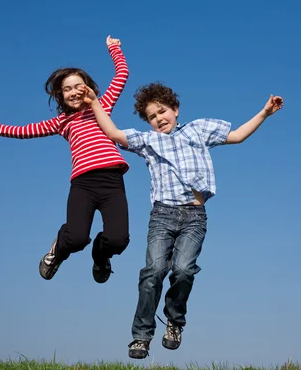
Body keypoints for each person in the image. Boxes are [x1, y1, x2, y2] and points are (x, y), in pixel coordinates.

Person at [79, 81, 284, 358]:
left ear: (175, 109)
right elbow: (113, 131)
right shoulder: (149, 141)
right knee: (153, 272)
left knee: (184, 270)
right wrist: (93, 102)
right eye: (152, 117)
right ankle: (141, 336)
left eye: (162, 111)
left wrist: (264, 113)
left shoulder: (197, 130)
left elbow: (236, 136)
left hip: (194, 218)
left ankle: (175, 321)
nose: (158, 119)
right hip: (162, 216)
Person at [0, 35, 130, 284]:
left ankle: (101, 257)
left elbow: (122, 74)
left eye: (79, 86)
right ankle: (57, 251)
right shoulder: (60, 122)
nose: (74, 92)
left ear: (89, 88)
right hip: (83, 185)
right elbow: (23, 131)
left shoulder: (102, 105)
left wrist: (114, 48)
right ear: (60, 96)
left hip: (112, 182)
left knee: (118, 239)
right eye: (67, 89)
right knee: (76, 238)